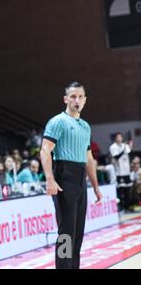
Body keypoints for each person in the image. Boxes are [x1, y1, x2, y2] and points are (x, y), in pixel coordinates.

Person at [40, 82, 102, 269]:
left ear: (85, 99)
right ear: (66, 99)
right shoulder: (58, 121)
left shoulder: (85, 126)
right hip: (63, 177)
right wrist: (50, 178)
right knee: (66, 233)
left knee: (77, 233)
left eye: (80, 96)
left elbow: (89, 158)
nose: (77, 100)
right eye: (73, 96)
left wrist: (96, 187)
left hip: (80, 179)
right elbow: (45, 150)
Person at [109, 132, 133, 211]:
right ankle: (121, 206)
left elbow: (130, 154)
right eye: (118, 137)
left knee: (128, 190)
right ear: (115, 138)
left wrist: (130, 147)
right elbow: (116, 157)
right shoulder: (113, 147)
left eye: (121, 136)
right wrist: (123, 150)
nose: (120, 138)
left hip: (127, 171)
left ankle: (127, 206)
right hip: (119, 172)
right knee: (121, 190)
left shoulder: (125, 145)